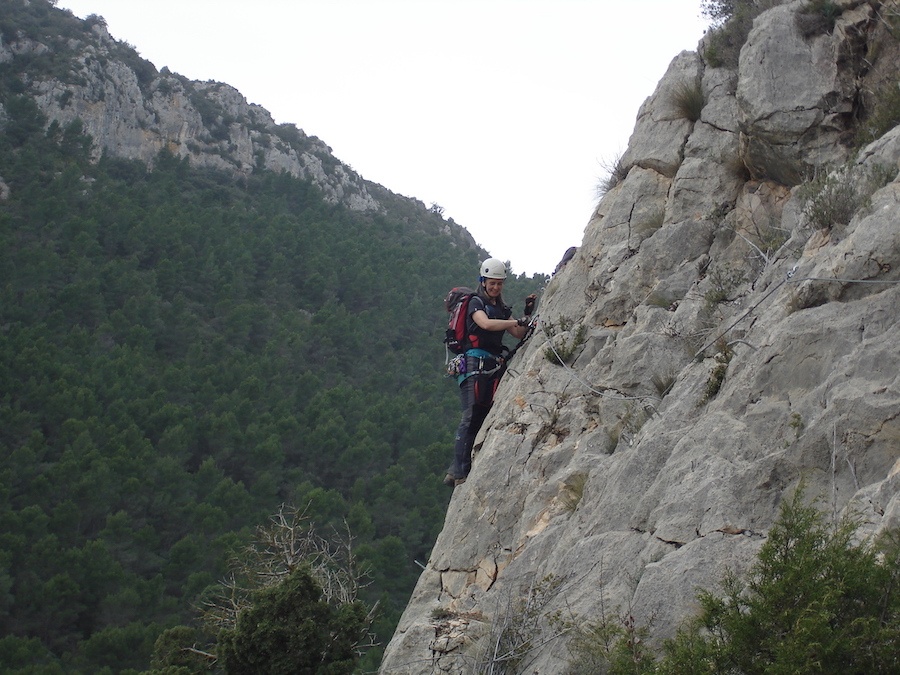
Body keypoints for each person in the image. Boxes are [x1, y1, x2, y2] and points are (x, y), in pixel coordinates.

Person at [445, 258, 535, 487]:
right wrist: (514, 320)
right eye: (492, 283)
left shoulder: (501, 309)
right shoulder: (476, 303)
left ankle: (465, 467)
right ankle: (457, 470)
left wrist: (526, 314)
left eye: (499, 284)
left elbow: (517, 333)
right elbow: (484, 324)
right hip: (474, 364)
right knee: (471, 414)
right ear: (483, 282)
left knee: (482, 415)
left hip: (492, 365)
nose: (495, 287)